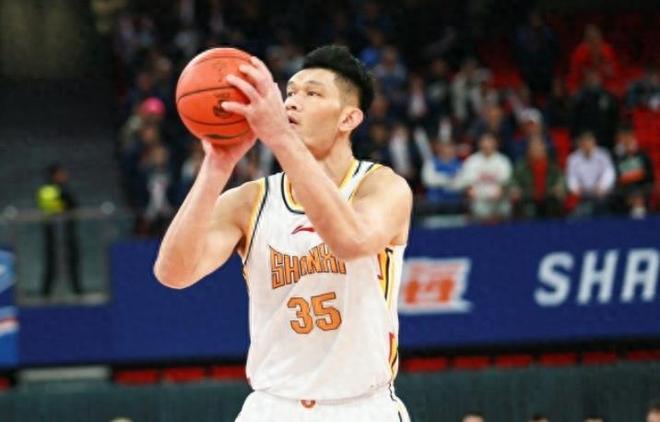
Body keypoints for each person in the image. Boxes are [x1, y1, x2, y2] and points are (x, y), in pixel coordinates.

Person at [154, 45, 412, 421]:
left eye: (313, 93)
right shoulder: (249, 201)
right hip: (273, 406)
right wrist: (217, 165)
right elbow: (173, 273)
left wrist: (280, 138)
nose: (291, 101)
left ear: (348, 118)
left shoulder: (382, 187)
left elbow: (353, 241)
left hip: (362, 406)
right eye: (290, 92)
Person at [36, 164, 81, 297]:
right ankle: (46, 293)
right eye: (61, 173)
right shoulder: (48, 190)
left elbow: (73, 205)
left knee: (72, 261)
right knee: (52, 263)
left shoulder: (64, 189)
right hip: (53, 233)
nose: (64, 175)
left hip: (66, 231)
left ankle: (77, 291)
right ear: (54, 175)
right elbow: (54, 208)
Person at [459, 132, 512, 222]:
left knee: (504, 208)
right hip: (479, 199)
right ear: (480, 144)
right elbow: (467, 183)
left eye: (490, 143)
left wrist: (500, 192)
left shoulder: (503, 160)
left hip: (498, 199)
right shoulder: (472, 160)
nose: (487, 146)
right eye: (484, 143)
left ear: (495, 144)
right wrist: (471, 192)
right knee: (479, 209)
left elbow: (505, 182)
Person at [511, 137, 564, 219]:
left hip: (549, 197)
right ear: (528, 151)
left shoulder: (553, 166)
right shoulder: (521, 166)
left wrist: (559, 187)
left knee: (555, 203)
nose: (536, 150)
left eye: (539, 147)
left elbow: (561, 179)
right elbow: (513, 181)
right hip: (528, 197)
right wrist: (515, 188)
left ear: (544, 149)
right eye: (533, 148)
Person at [566, 131, 616, 217]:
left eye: (589, 142)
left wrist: (602, 187)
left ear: (594, 142)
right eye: (584, 142)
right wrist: (575, 188)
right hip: (582, 193)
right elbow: (571, 177)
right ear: (580, 144)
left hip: (600, 192)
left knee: (602, 201)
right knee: (576, 204)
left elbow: (609, 173)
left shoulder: (603, 155)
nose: (586, 145)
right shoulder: (573, 158)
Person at [613, 128, 654, 218]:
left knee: (637, 194)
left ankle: (639, 216)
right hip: (626, 189)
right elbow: (619, 178)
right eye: (626, 144)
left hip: (642, 186)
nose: (629, 146)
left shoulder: (643, 155)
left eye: (630, 142)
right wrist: (634, 175)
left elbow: (649, 175)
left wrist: (635, 176)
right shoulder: (619, 159)